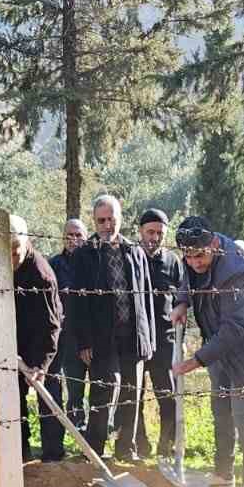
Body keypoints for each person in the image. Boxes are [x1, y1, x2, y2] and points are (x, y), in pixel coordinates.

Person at [172, 217, 244, 487]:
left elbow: (235, 328)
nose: (194, 263)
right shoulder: (195, 256)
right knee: (220, 410)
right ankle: (222, 476)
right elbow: (187, 278)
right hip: (218, 343)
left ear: (214, 243)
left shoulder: (234, 268)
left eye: (199, 256)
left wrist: (195, 360)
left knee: (243, 414)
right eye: (188, 257)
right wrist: (182, 301)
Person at [74, 194, 155, 459]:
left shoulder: (134, 251)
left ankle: (125, 450)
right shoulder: (85, 254)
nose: (107, 225)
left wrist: (148, 338)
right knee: (102, 392)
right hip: (101, 337)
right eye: (101, 221)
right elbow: (78, 302)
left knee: (132, 395)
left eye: (112, 219)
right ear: (94, 222)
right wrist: (84, 341)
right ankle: (95, 450)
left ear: (120, 220)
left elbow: (146, 297)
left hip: (133, 336)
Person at [10, 215, 64, 461]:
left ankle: (53, 455)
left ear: (26, 242)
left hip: (44, 342)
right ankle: (20, 453)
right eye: (6, 252)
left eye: (15, 251)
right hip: (11, 343)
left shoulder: (41, 274)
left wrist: (41, 365)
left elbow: (52, 324)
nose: (11, 259)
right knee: (13, 400)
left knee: (48, 393)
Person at [134, 209, 182, 459]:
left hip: (165, 340)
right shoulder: (130, 256)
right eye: (150, 232)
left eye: (160, 233)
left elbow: (181, 298)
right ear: (140, 231)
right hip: (137, 339)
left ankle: (166, 446)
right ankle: (140, 445)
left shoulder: (173, 261)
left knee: (167, 396)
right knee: (135, 397)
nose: (154, 237)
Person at [50, 217, 89, 439]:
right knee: (73, 388)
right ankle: (75, 431)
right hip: (66, 337)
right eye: (69, 235)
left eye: (78, 235)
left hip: (93, 335)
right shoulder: (54, 264)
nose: (73, 239)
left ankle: (93, 436)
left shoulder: (94, 262)